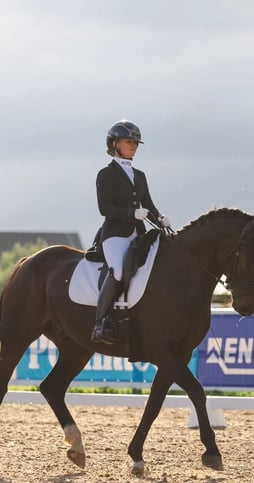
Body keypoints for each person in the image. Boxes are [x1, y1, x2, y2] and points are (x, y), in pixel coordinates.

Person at [90, 120, 171, 344]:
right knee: (117, 271)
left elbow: (149, 206)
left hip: (139, 233)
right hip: (115, 235)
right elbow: (104, 208)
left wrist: (160, 219)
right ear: (114, 143)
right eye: (129, 142)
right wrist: (130, 213)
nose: (134, 146)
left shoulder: (140, 175)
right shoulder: (106, 174)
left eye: (136, 143)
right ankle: (100, 323)